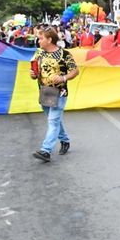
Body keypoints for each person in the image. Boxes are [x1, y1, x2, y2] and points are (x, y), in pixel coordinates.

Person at [30, 28, 79, 162]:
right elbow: (32, 72)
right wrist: (33, 74)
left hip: (59, 92)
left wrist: (63, 78)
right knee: (54, 120)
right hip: (45, 91)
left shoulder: (64, 54)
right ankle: (64, 140)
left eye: (41, 38)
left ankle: (46, 150)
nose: (38, 41)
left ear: (49, 39)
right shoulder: (38, 53)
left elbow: (75, 71)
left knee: (53, 121)